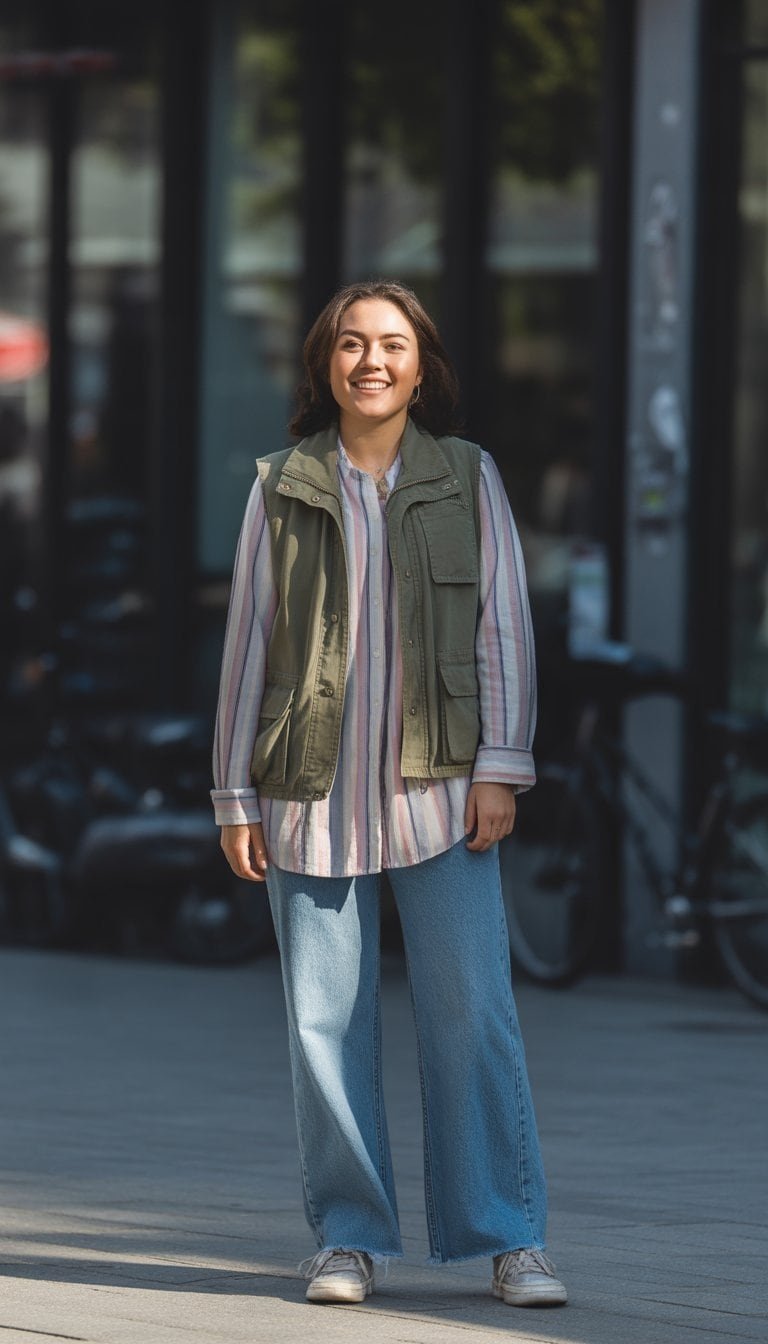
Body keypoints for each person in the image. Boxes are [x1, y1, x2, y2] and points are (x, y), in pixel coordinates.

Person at [211, 279, 567, 1309]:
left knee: (473, 1015)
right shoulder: (281, 485)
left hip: (444, 789)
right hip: (308, 791)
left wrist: (502, 766)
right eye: (353, 344)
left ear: (422, 366)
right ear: (325, 364)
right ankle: (348, 1238)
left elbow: (503, 626)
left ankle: (510, 1237)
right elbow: (248, 644)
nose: (373, 361)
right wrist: (234, 794)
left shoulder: (468, 476)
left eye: (394, 345)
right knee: (324, 1027)